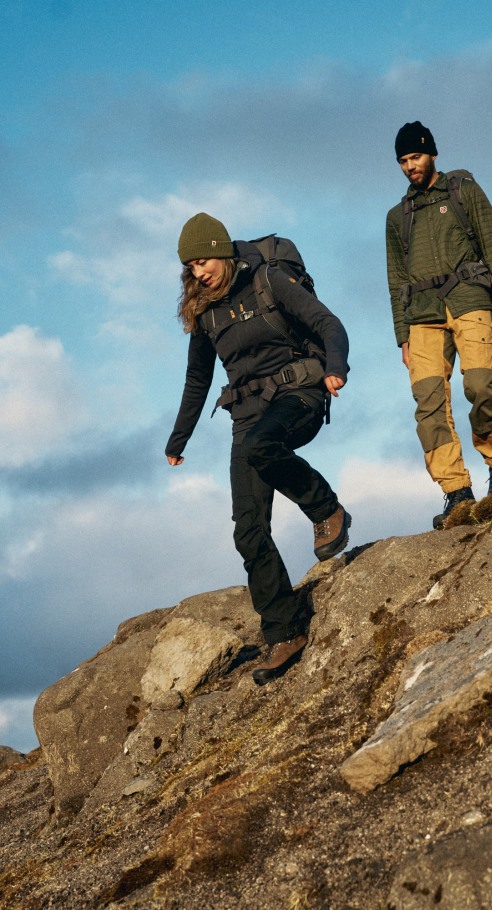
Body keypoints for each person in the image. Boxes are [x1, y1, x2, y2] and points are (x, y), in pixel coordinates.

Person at [165, 213, 351, 684]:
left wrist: (336, 366)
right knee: (248, 531)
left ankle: (327, 510)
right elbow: (197, 380)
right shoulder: (205, 313)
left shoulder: (269, 280)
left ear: (222, 251)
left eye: (202, 261)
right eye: (190, 267)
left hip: (299, 393)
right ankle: (285, 632)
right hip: (247, 416)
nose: (197, 273)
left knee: (261, 446)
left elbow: (328, 322)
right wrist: (178, 437)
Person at [385, 121, 492, 529]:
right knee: (427, 405)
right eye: (403, 161)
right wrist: (402, 336)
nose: (410, 166)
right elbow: (396, 281)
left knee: (480, 386)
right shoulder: (398, 217)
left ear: (432, 153)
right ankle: (457, 493)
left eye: (415, 157)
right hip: (421, 318)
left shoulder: (464, 191)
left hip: (470, 300)